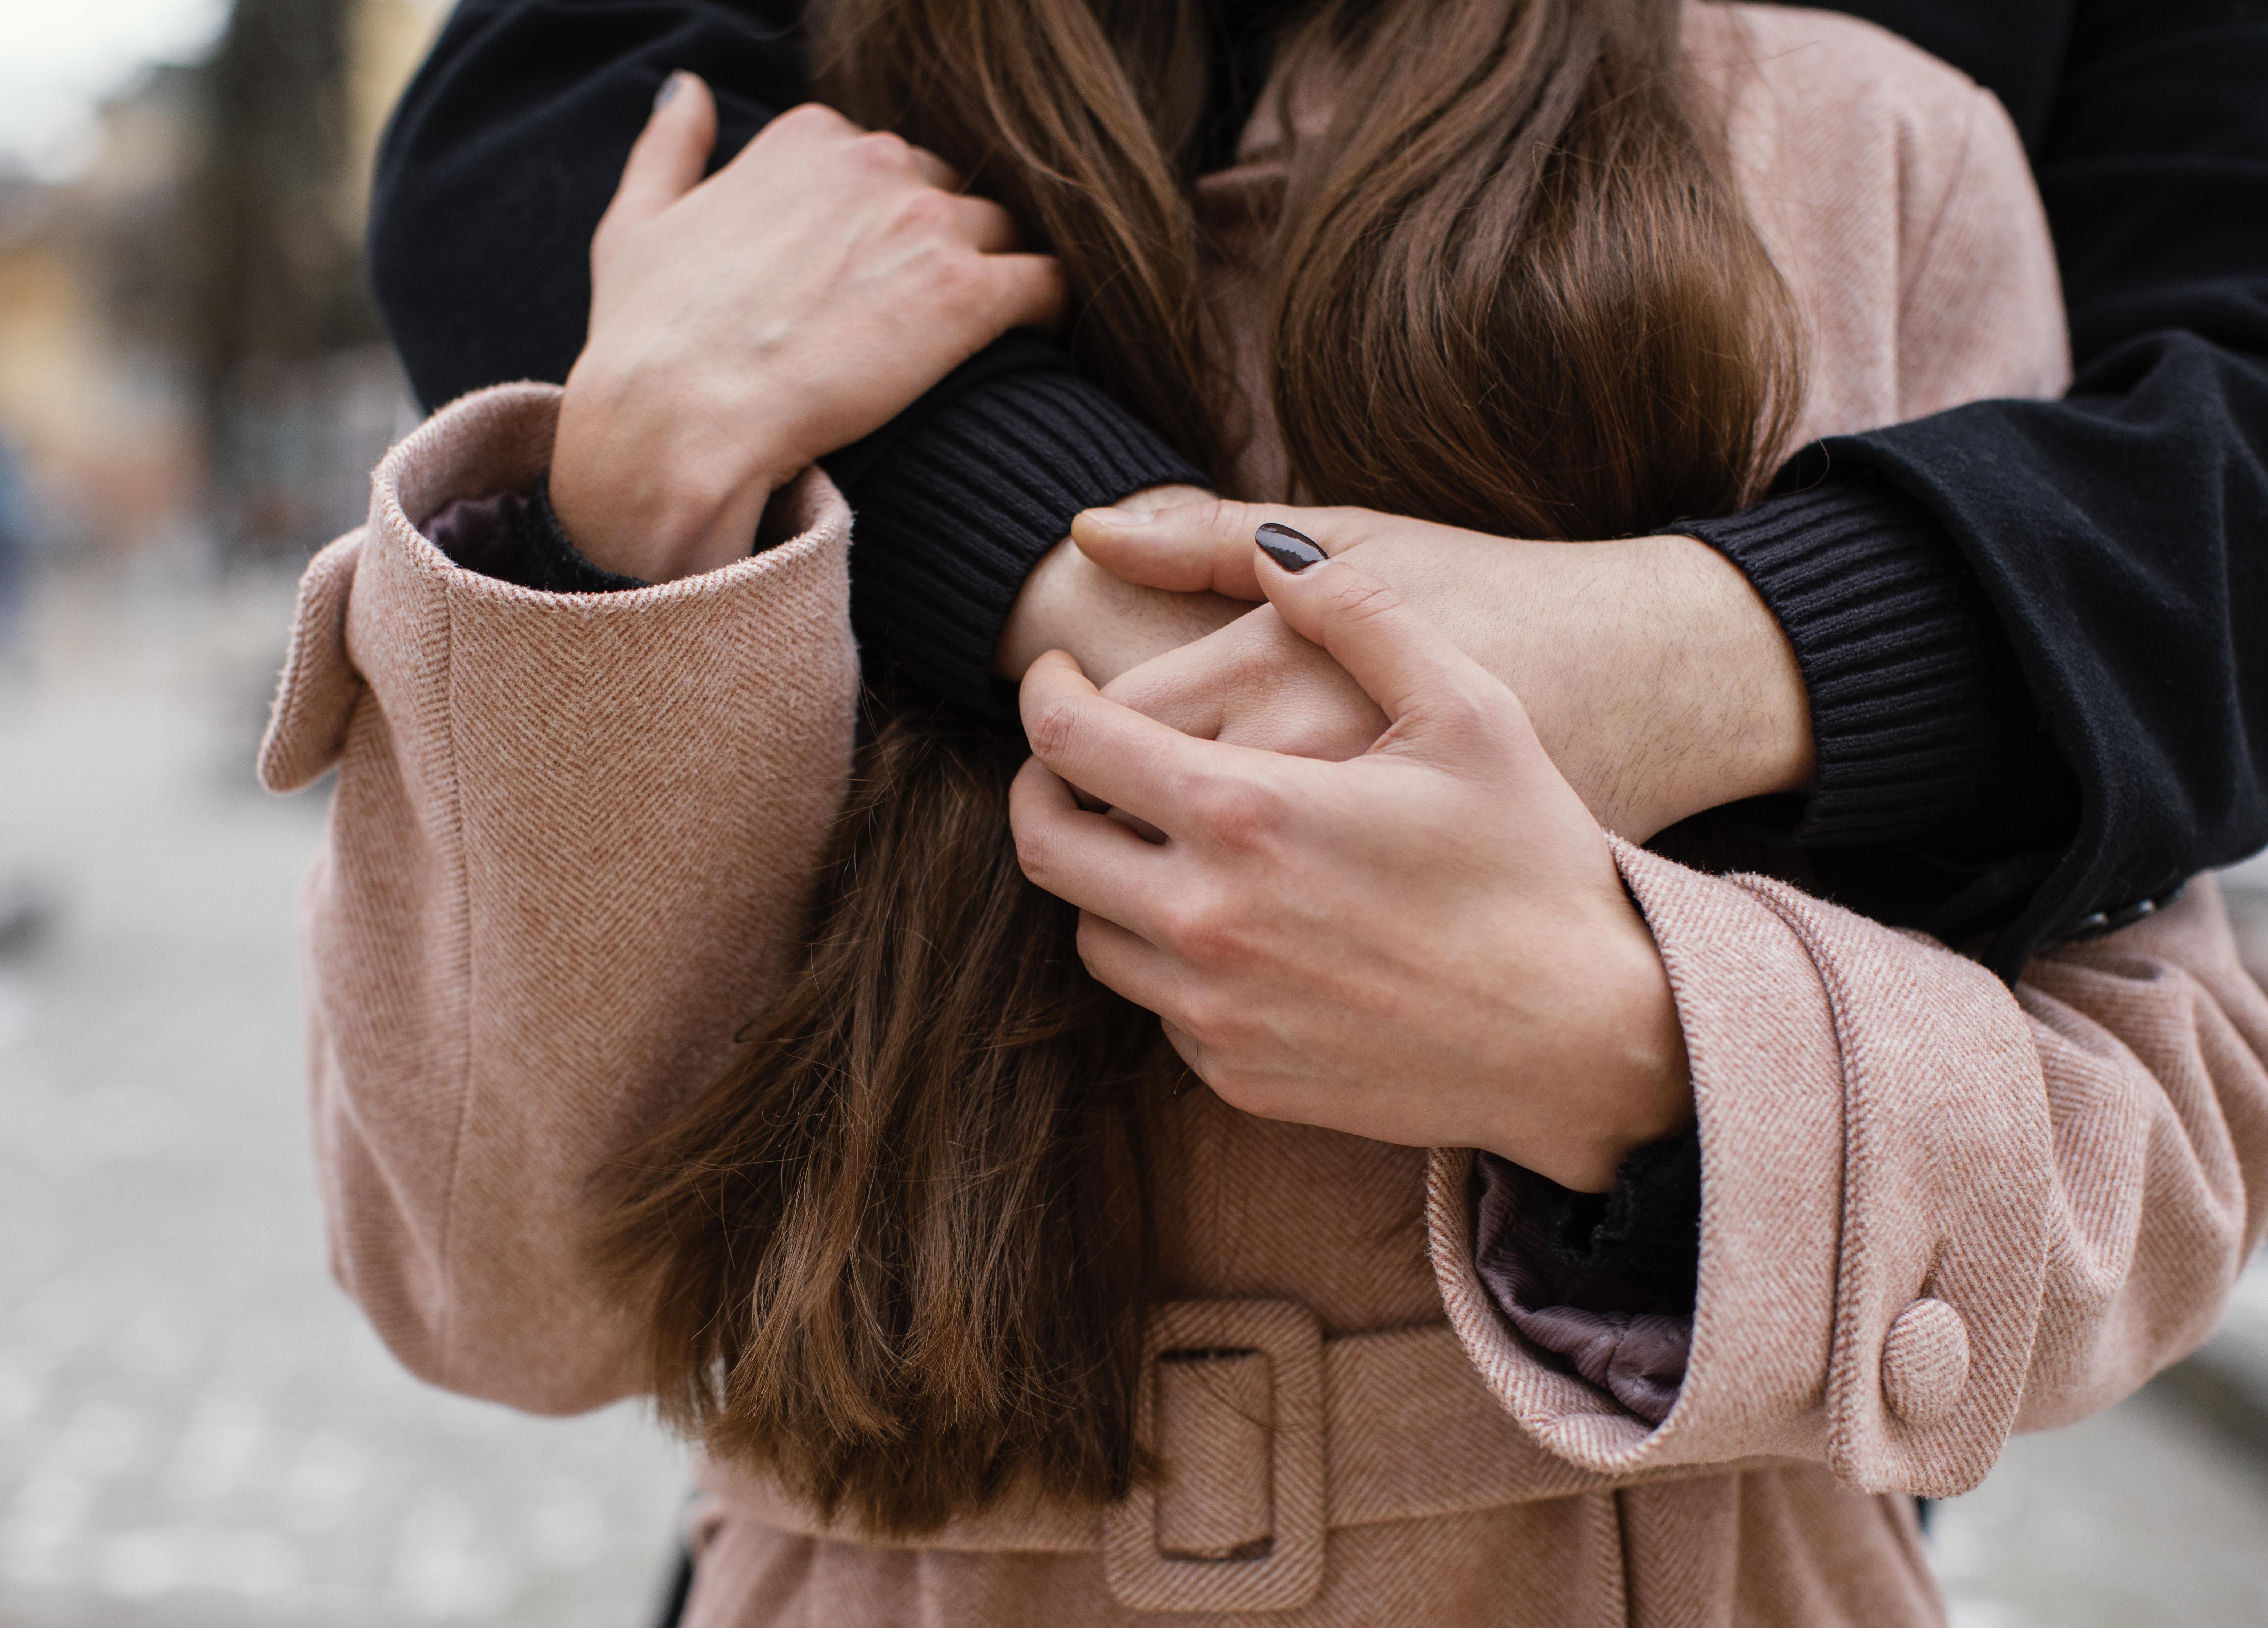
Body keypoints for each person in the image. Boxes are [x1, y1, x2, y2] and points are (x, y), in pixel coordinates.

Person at [266, 4, 2268, 1624]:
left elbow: (2163, 1136)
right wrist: (636, 503)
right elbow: (499, 1299)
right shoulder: (778, 193)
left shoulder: (1860, 149)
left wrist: (1645, 1061)